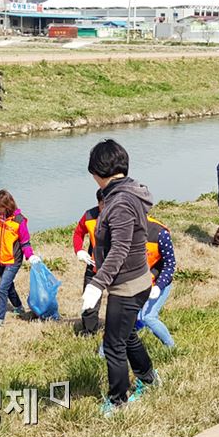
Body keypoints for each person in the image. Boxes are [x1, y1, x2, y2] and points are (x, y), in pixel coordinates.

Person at [81, 139, 159, 414]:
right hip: (137, 279)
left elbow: (120, 248)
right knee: (126, 337)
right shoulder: (126, 192)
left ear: (99, 171)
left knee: (113, 344)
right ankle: (149, 378)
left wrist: (96, 284)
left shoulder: (121, 201)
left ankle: (117, 401)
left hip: (127, 284)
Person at [0, 190, 40, 328]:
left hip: (13, 260)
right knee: (9, 286)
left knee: (2, 288)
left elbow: (25, 242)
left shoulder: (19, 220)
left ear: (8, 205)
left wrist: (30, 256)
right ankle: (18, 307)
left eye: (1, 207)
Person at [136, 215, 176, 348]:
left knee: (148, 317)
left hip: (158, 282)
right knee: (128, 319)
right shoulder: (123, 230)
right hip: (135, 283)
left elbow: (170, 265)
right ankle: (104, 352)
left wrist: (158, 286)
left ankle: (171, 347)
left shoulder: (160, 233)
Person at [72, 189, 104, 336]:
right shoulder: (90, 215)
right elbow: (78, 233)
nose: (106, 207)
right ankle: (89, 330)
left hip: (118, 266)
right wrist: (79, 250)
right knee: (89, 299)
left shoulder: (121, 215)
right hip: (95, 265)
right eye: (103, 204)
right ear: (98, 203)